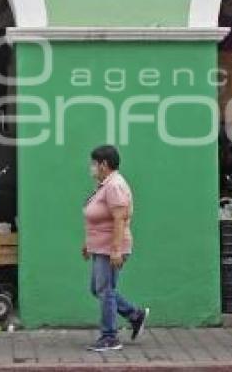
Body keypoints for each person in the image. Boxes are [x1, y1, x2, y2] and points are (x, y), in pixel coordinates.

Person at [82, 145, 149, 351]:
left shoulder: (115, 185)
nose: (91, 167)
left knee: (105, 291)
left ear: (104, 164)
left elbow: (119, 218)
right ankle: (134, 315)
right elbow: (99, 218)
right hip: (100, 247)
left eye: (94, 163)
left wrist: (116, 249)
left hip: (110, 248)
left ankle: (110, 337)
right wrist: (88, 243)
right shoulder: (105, 185)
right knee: (99, 289)